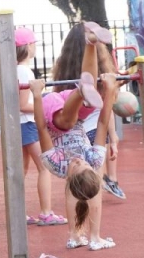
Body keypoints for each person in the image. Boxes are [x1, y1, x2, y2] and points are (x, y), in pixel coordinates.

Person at [30, 22, 119, 251]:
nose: (79, 160)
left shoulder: (56, 164)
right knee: (89, 98)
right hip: (78, 112)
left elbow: (42, 128)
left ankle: (81, 91)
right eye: (84, 164)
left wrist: (37, 96)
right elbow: (101, 122)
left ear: (69, 178)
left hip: (55, 114)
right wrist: (109, 91)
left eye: (77, 165)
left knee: (66, 122)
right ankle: (90, 44)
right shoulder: (93, 160)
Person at [52, 23, 125, 199]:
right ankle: (108, 185)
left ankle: (81, 92)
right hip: (94, 128)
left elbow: (56, 105)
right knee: (93, 183)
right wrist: (112, 136)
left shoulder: (64, 69)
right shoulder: (103, 71)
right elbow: (105, 113)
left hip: (73, 129)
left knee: (76, 182)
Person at [14, 26, 63, 227]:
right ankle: (46, 212)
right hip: (27, 124)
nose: (35, 47)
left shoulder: (14, 69)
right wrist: (43, 105)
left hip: (20, 124)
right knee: (44, 166)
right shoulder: (24, 71)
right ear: (27, 46)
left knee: (22, 169)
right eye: (33, 43)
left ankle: (17, 212)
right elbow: (22, 104)